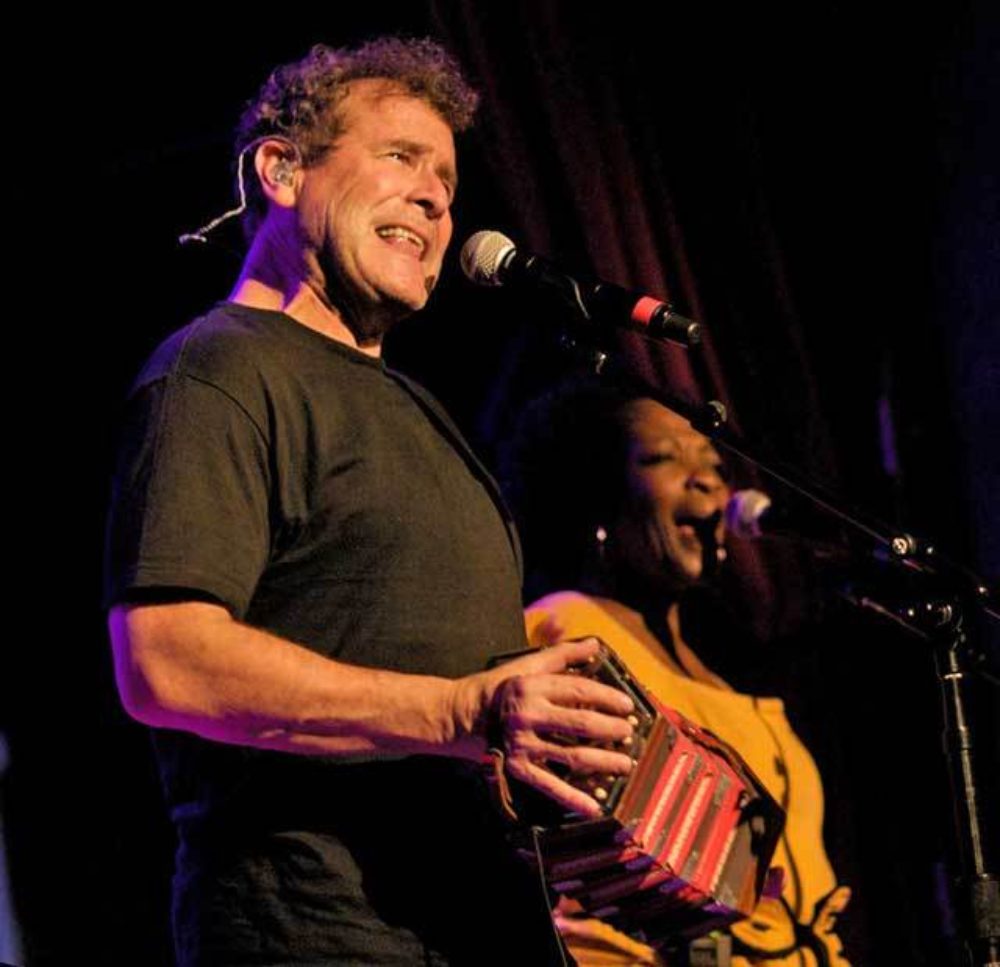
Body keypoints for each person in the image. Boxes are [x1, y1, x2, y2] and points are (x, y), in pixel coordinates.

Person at [104, 39, 637, 966]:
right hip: (318, 931)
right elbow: (165, 661)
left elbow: (448, 683)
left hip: (480, 925)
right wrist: (461, 709)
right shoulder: (221, 366)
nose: (436, 197)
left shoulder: (427, 414)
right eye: (400, 156)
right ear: (280, 169)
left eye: (448, 179)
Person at [507, 379, 851, 966]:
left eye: (714, 463)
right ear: (598, 494)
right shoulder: (567, 631)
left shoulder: (716, 671)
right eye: (663, 458)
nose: (707, 479)